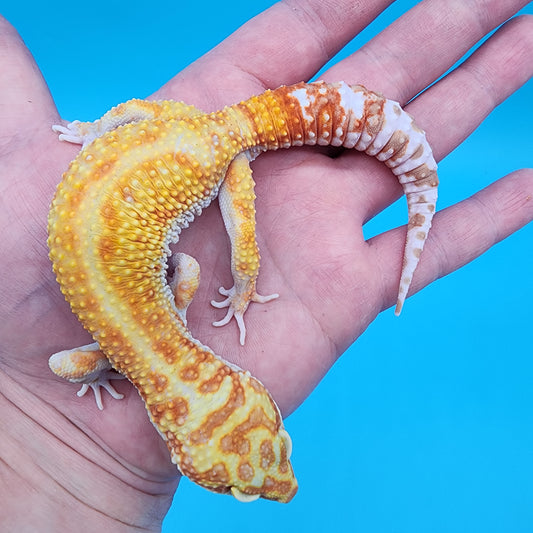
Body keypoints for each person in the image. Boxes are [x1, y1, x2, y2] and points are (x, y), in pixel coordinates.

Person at [1, 0, 531, 530]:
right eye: (280, 438)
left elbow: (180, 274)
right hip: (156, 137)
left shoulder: (141, 338)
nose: (285, 489)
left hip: (185, 153)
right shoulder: (104, 353)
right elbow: (159, 289)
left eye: (241, 486)